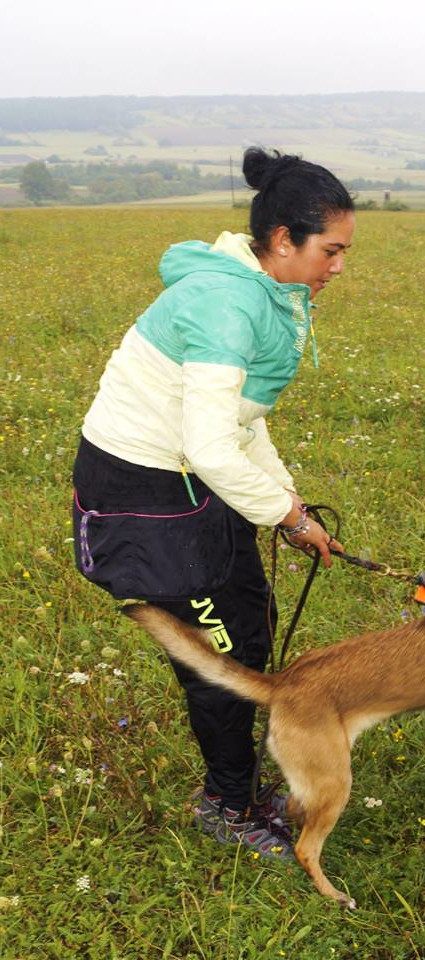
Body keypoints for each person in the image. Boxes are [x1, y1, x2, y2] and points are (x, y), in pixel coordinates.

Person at [72, 147, 354, 860]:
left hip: (193, 476)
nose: (339, 267)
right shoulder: (228, 304)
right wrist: (286, 515)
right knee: (220, 661)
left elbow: (238, 421)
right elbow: (212, 447)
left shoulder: (266, 288)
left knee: (250, 628)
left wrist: (289, 505)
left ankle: (240, 785)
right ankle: (226, 807)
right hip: (147, 493)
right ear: (284, 240)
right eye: (332, 250)